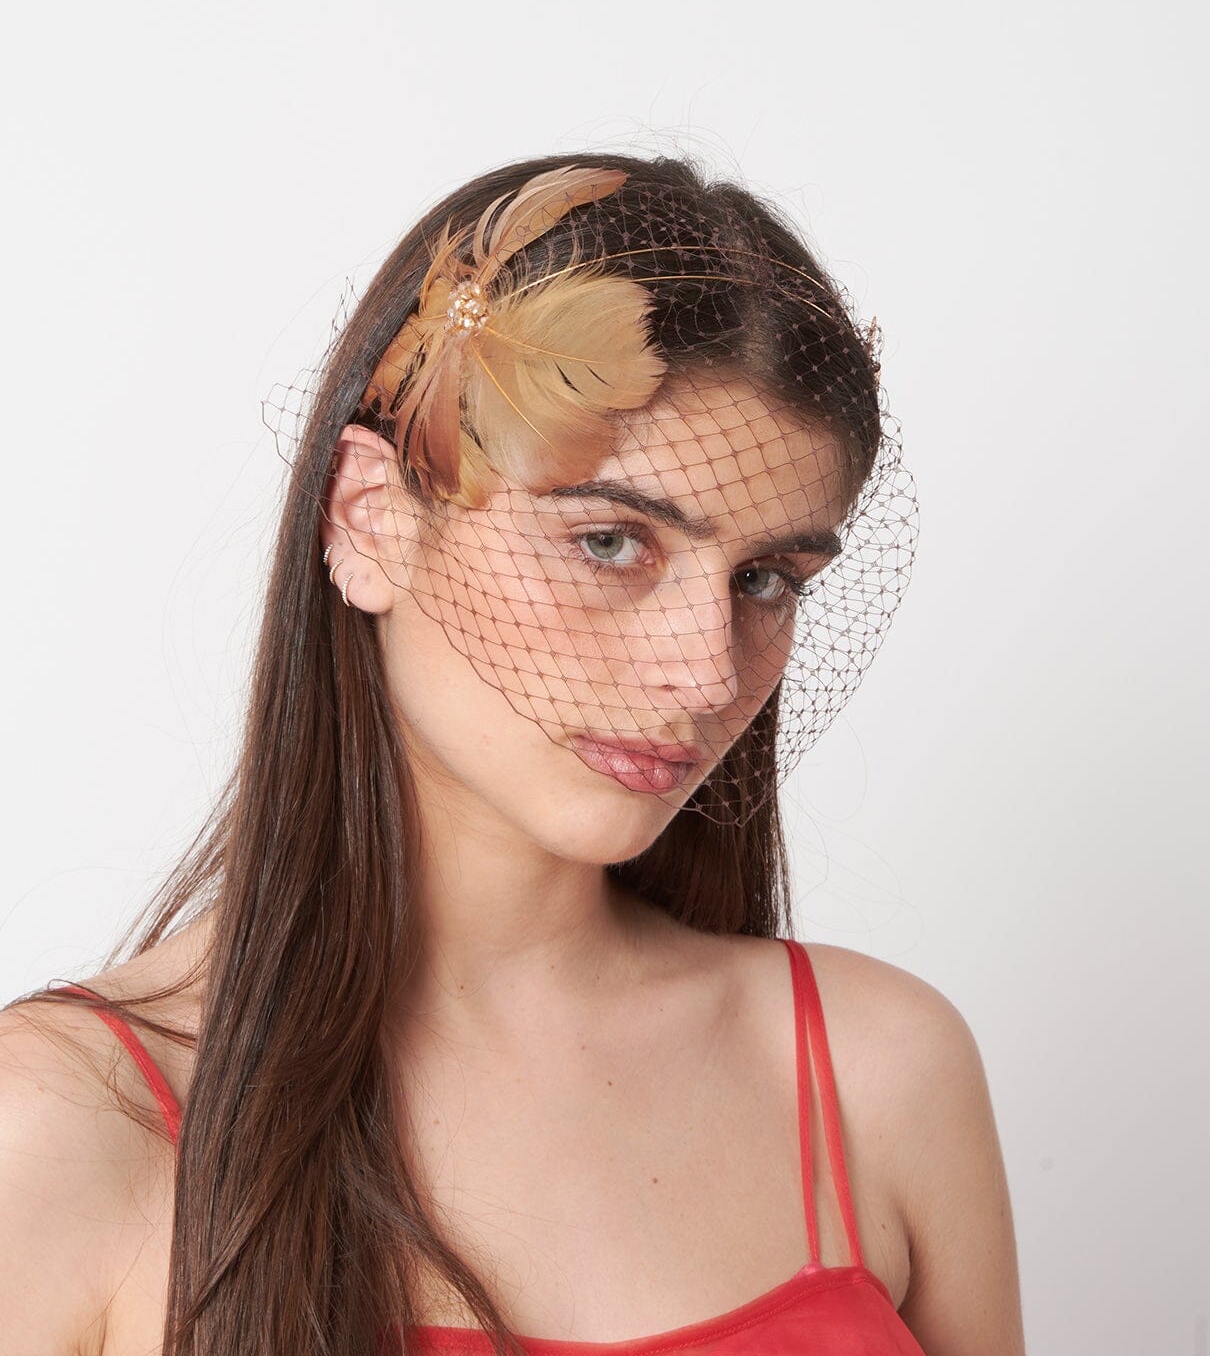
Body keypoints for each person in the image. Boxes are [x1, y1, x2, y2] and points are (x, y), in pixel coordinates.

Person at [0, 153, 1025, 1355]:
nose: (705, 674)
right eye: (609, 543)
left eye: (764, 579)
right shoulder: (67, 1128)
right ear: (370, 520)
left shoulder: (875, 1077)